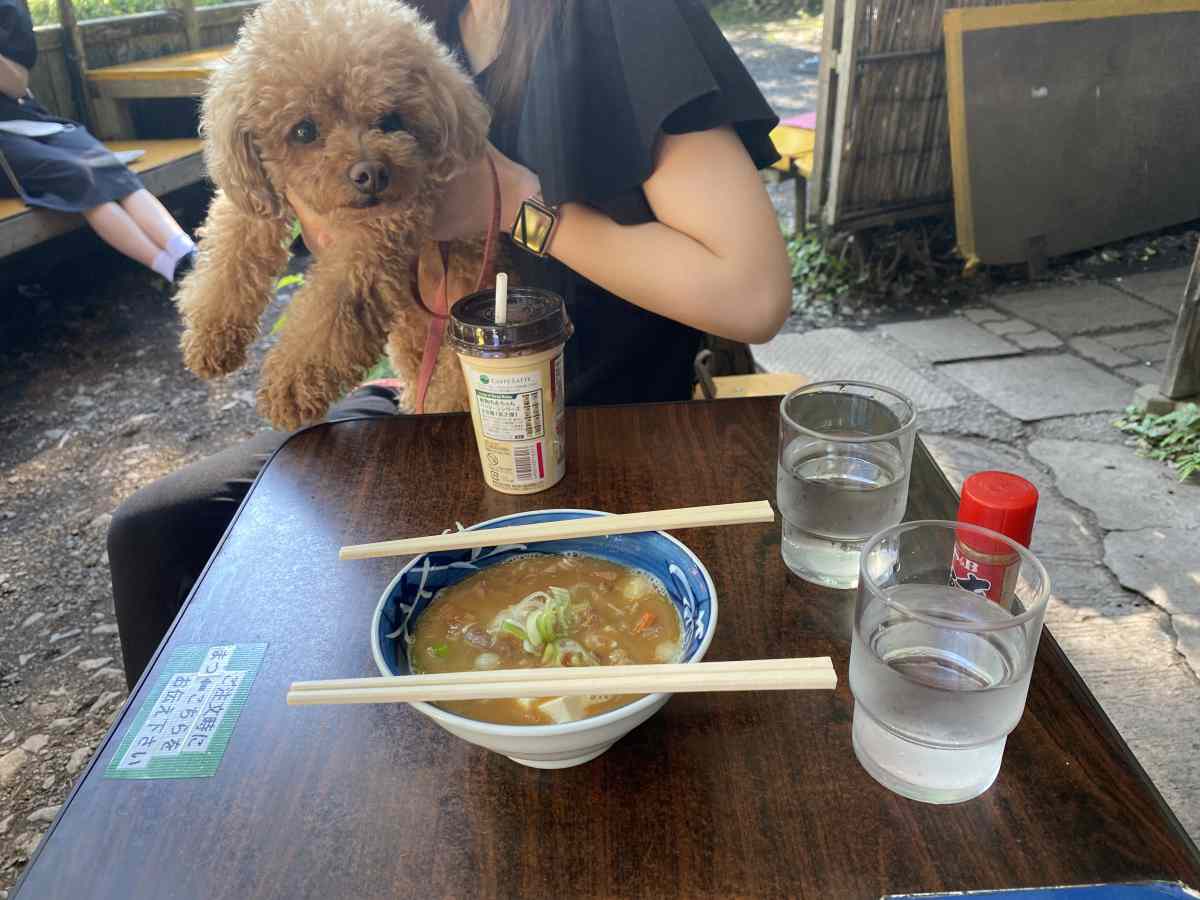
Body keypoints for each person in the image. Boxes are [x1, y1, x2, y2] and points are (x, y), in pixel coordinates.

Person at [107, 0, 793, 687]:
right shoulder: (414, 20)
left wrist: (522, 208)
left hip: (581, 423)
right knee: (157, 530)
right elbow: (305, 220)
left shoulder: (621, 18)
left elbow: (752, 294)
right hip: (424, 403)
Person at [0, 0, 197, 282]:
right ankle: (174, 270)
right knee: (77, 174)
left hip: (29, 119)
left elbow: (16, 84)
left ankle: (188, 252)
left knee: (105, 164)